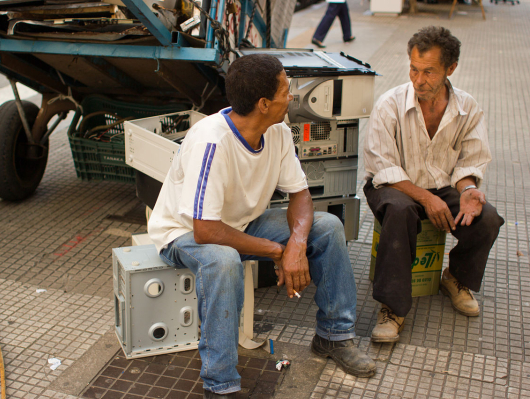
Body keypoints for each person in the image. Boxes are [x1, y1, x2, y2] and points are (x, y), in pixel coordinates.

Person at [148, 54, 376, 398]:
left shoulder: (278, 131)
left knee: (328, 227)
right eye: (287, 89)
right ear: (264, 103)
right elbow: (205, 232)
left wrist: (297, 246)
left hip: (241, 225)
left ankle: (333, 336)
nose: (293, 96)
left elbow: (300, 196)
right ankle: (219, 383)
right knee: (223, 260)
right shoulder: (212, 142)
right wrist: (277, 250)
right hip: (182, 234)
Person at [362, 26, 504, 343]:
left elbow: (470, 161)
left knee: (487, 218)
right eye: (414, 69)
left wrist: (468, 190)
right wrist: (425, 198)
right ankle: (392, 308)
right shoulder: (390, 105)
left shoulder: (467, 108)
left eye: (428, 71)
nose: (418, 79)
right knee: (400, 213)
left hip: (442, 186)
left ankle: (455, 278)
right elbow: (382, 167)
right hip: (393, 185)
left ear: (450, 69)